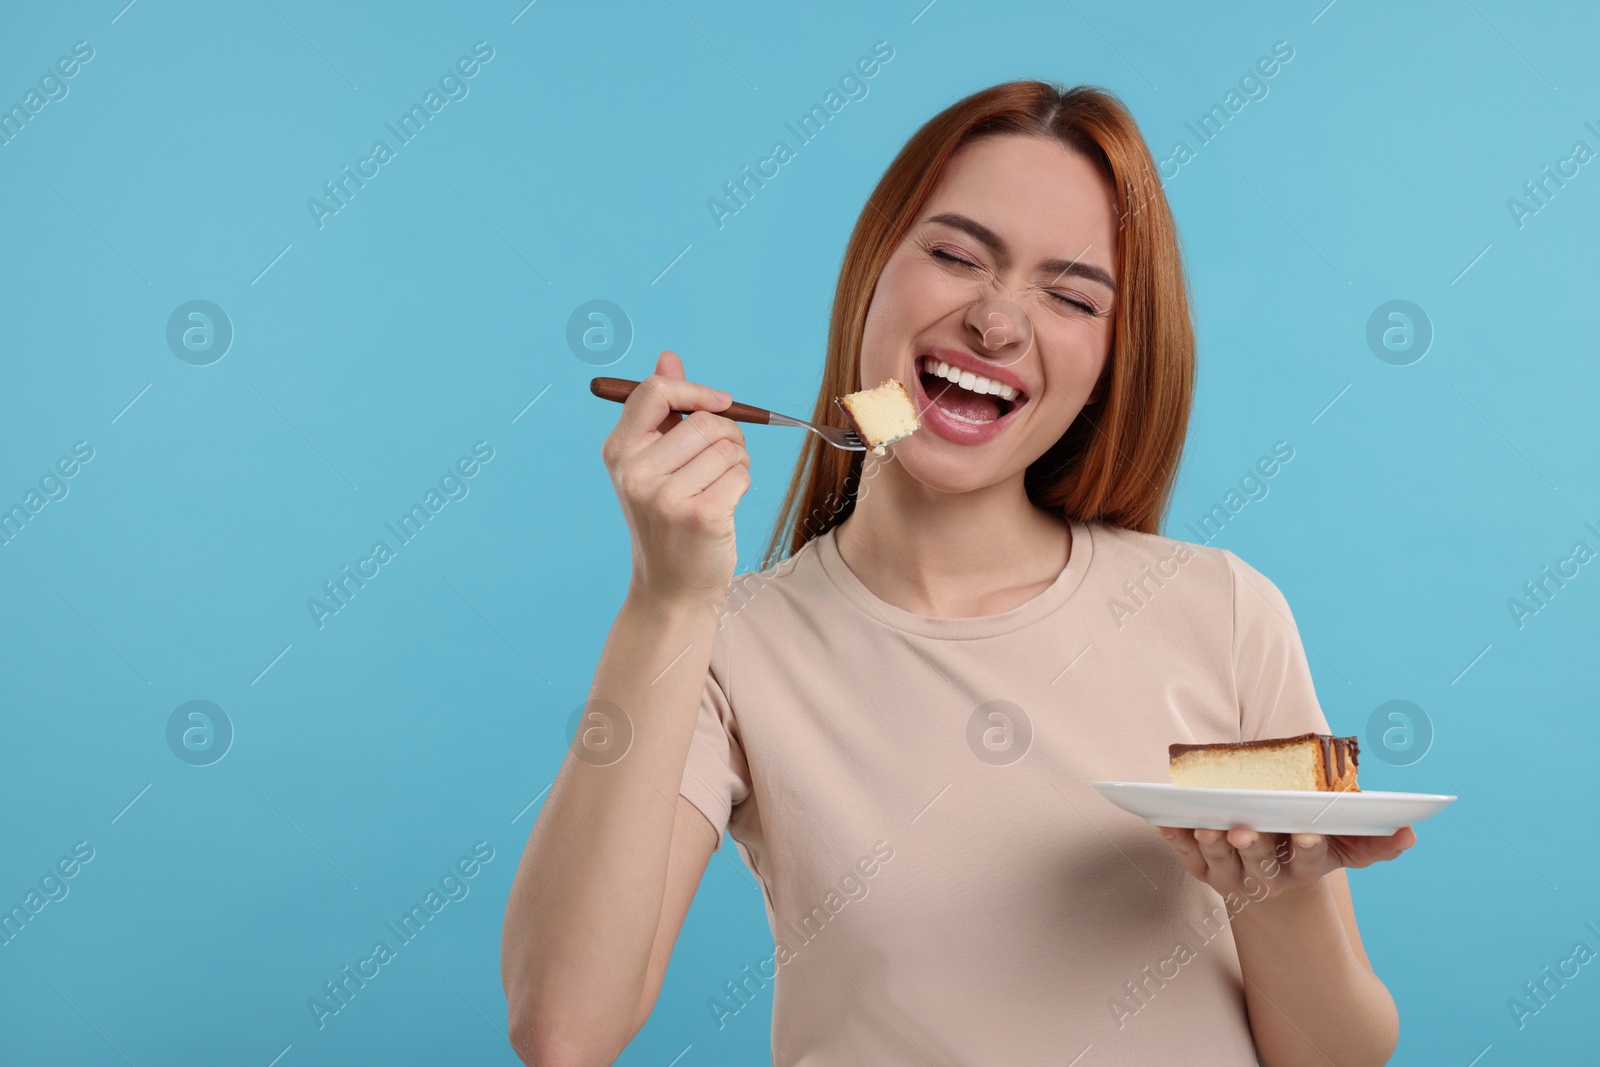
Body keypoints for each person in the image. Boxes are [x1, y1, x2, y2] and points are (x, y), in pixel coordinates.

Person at [501, 80, 1416, 1066]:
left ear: (1113, 359)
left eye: (1069, 296)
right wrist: (666, 599)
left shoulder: (1220, 609)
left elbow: (1337, 1056)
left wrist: (1268, 895)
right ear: (872, 273)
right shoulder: (726, 641)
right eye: (952, 254)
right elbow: (565, 1028)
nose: (995, 319)